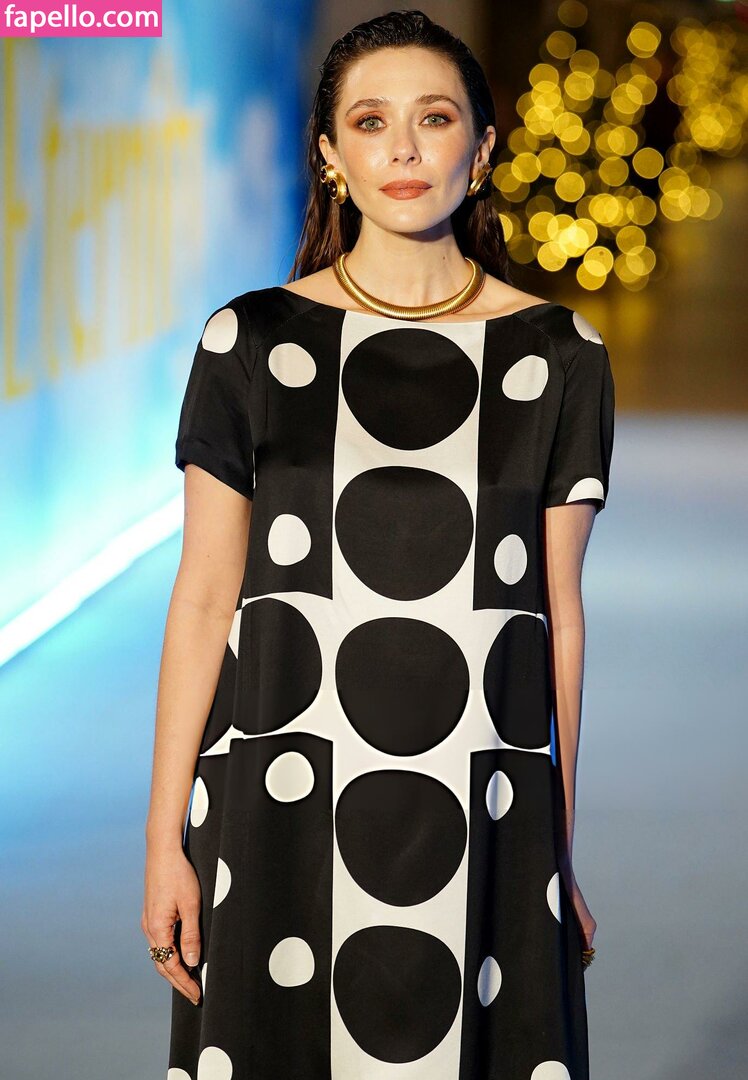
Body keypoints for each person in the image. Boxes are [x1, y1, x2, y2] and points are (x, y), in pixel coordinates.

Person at [143, 9, 615, 1079]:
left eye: (434, 119)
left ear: (480, 149)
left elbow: (557, 617)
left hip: (481, 799)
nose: (403, 148)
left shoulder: (559, 355)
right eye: (370, 122)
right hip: (278, 792)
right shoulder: (250, 341)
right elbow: (207, 595)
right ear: (330, 155)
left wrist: (553, 847)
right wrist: (164, 838)